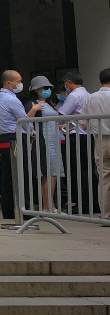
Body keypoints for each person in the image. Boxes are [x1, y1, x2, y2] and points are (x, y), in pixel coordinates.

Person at [0, 69, 28, 221]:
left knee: (8, 174)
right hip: (15, 137)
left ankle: (8, 210)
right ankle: (22, 209)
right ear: (9, 83)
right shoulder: (12, 100)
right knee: (21, 173)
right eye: (18, 81)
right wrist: (32, 131)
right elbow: (23, 120)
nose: (20, 84)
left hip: (4, 137)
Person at [25, 75, 63, 213]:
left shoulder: (50, 103)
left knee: (54, 175)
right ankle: (48, 206)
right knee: (48, 173)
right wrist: (34, 110)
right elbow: (24, 120)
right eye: (44, 88)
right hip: (44, 140)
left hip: (55, 140)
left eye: (48, 88)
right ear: (36, 90)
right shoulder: (32, 104)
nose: (47, 90)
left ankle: (49, 205)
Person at [60, 71, 96, 214]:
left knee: (77, 171)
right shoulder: (88, 95)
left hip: (76, 136)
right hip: (89, 135)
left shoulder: (73, 96)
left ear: (69, 82)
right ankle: (92, 202)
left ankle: (82, 203)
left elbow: (61, 115)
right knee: (89, 170)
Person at [81, 67, 110, 219]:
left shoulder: (90, 98)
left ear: (100, 80)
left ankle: (105, 213)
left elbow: (84, 125)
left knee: (104, 176)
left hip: (99, 139)